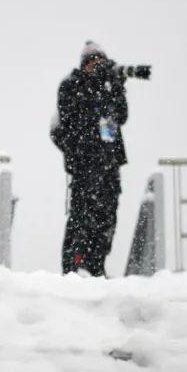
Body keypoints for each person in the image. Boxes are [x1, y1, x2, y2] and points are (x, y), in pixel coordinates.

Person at [50, 41, 128, 277]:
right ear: (84, 65)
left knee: (107, 217)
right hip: (85, 165)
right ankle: (75, 267)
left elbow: (121, 116)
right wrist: (94, 85)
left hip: (109, 163)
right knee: (82, 218)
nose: (98, 66)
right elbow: (72, 117)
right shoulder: (71, 84)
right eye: (94, 62)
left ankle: (96, 266)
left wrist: (116, 86)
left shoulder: (107, 86)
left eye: (102, 62)